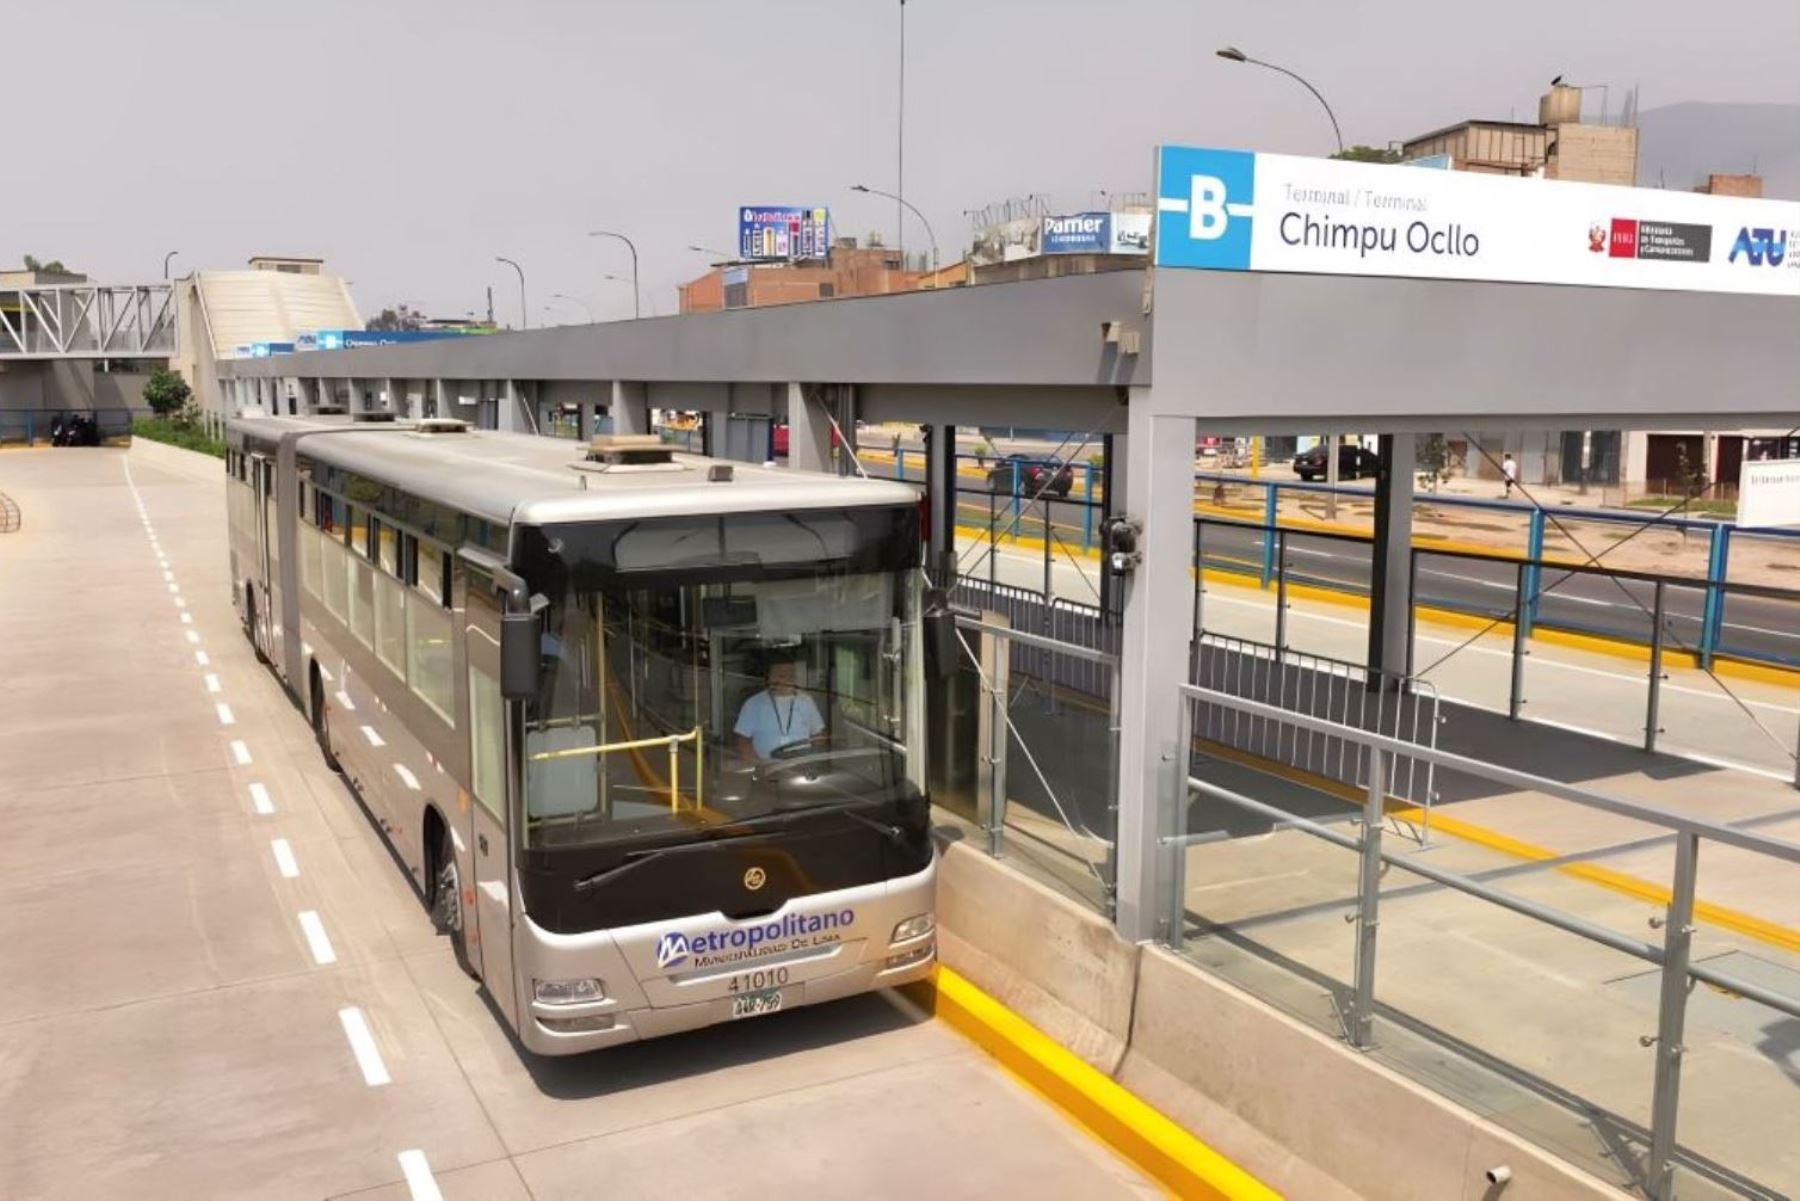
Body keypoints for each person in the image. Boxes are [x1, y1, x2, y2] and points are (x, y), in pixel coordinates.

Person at [734, 659, 825, 762]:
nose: (788, 680)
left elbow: (818, 736)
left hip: (801, 768)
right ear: (770, 679)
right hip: (767, 769)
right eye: (782, 676)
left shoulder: (806, 701)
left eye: (791, 675)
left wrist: (813, 762)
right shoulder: (753, 704)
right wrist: (759, 766)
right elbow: (743, 742)